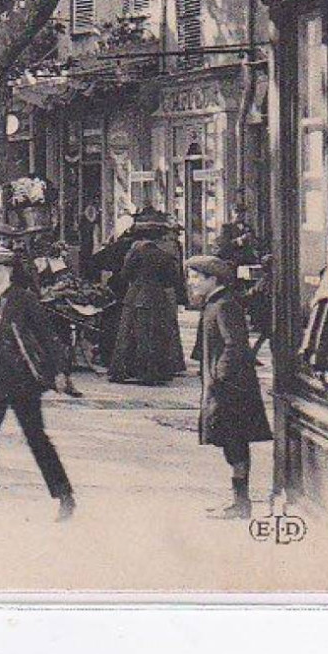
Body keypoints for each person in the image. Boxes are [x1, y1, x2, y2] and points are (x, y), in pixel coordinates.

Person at [0, 244, 78, 521]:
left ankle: (64, 496)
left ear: (9, 270)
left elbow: (47, 336)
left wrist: (58, 370)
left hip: (23, 380)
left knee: (36, 439)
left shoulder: (23, 299)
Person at [187, 254, 272, 519]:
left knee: (235, 442)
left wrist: (219, 375)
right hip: (223, 386)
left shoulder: (224, 305)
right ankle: (238, 500)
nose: (192, 283)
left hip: (231, 389)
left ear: (213, 279)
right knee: (230, 442)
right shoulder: (215, 303)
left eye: (197, 278)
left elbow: (234, 344)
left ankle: (241, 503)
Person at [108, 213, 188, 385]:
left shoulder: (135, 251)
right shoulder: (165, 254)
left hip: (135, 295)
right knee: (155, 335)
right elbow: (171, 279)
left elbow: (125, 274)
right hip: (158, 297)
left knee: (129, 334)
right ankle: (153, 372)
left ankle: (125, 370)